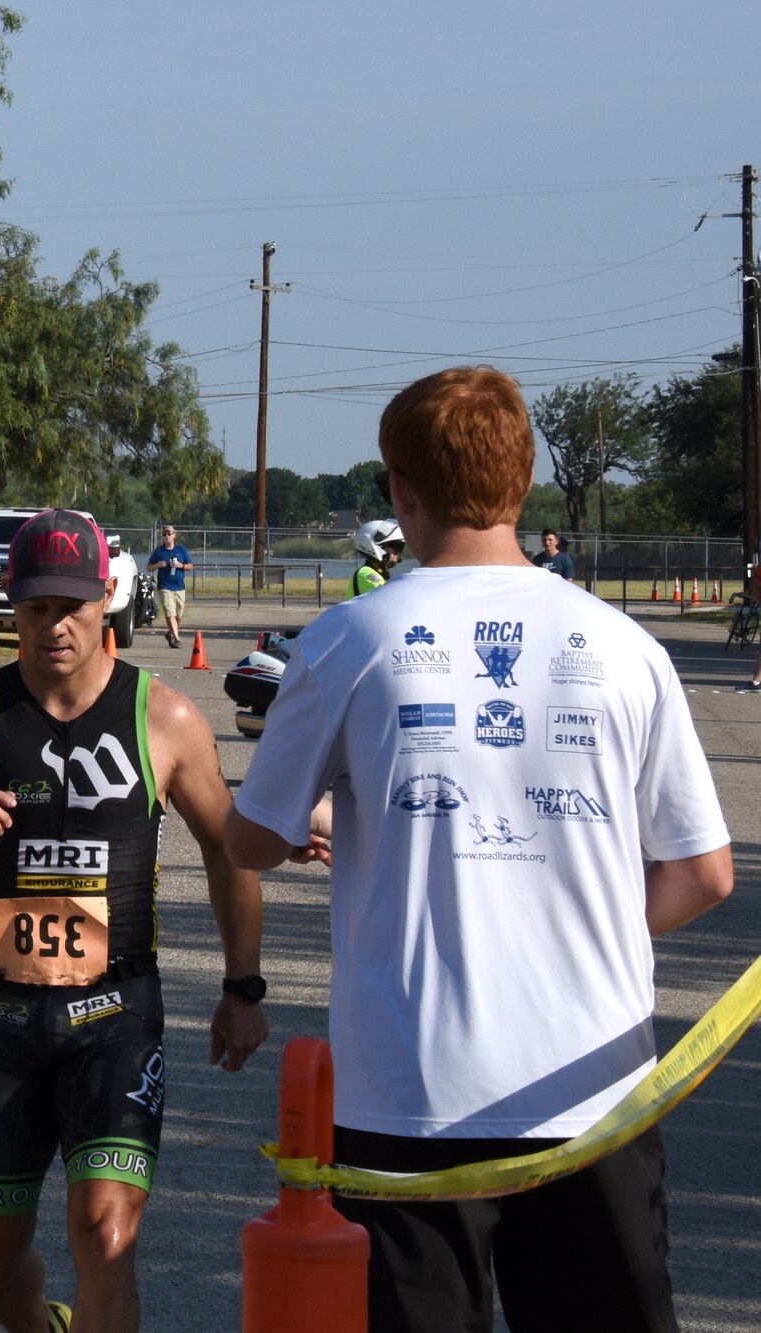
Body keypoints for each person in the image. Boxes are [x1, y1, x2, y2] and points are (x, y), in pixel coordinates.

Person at [224, 366, 734, 1333]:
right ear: (524, 478)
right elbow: (704, 872)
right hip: (595, 1093)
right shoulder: (626, 646)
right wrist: (579, 930)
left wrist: (314, 820)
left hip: (409, 1097)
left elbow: (252, 836)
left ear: (402, 491)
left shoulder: (347, 640)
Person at [0, 509, 269, 1333]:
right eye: (34, 606)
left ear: (107, 602)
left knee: (105, 1234)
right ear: (10, 606)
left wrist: (245, 985)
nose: (54, 625)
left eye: (72, 605)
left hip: (115, 1016)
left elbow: (226, 848)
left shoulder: (165, 719)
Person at [145, 525, 192, 647]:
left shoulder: (181, 550)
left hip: (180, 586)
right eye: (164, 534)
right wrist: (157, 565)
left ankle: (170, 633)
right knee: (170, 613)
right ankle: (176, 639)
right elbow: (149, 568)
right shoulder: (159, 552)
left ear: (174, 535)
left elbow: (190, 566)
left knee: (178, 614)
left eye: (169, 534)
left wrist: (181, 565)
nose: (166, 536)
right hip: (165, 586)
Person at [346, 517, 405, 598]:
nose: (398, 554)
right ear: (377, 546)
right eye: (396, 547)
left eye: (400, 548)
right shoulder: (365, 574)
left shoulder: (380, 574)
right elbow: (390, 599)